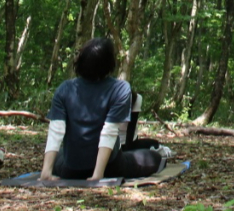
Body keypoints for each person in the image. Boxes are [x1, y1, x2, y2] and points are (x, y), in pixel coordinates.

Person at [41, 37, 162, 181]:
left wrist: (46, 172)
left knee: (60, 155)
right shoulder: (121, 88)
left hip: (71, 169)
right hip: (111, 167)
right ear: (109, 63)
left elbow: (56, 130)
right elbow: (109, 132)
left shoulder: (64, 89)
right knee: (155, 157)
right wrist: (98, 174)